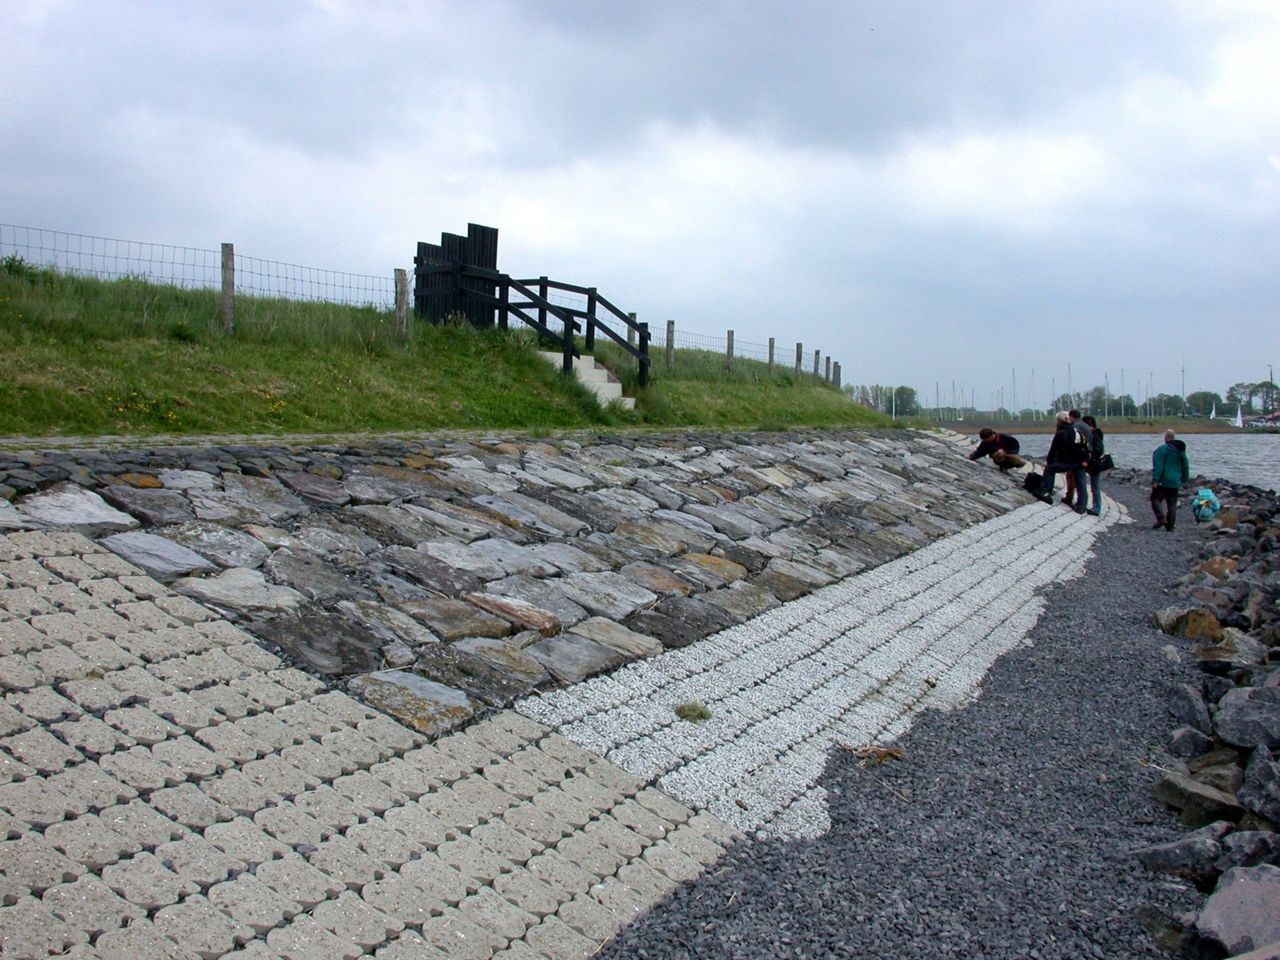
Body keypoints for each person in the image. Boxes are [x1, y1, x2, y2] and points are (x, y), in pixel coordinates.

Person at [1037, 411, 1088, 513]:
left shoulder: (1060, 433)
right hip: (1079, 462)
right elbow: (1082, 446)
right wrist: (1083, 459)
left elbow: (1053, 450)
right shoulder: (1076, 432)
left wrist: (1050, 461)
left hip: (1067, 461)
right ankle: (1082, 506)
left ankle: (1046, 492)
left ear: (1058, 421)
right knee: (1081, 483)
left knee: (1050, 469)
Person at [1151, 429, 1190, 530]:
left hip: (1163, 481)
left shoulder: (1162, 449)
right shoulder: (1180, 451)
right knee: (1172, 503)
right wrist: (1185, 479)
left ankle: (1161, 518)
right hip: (1175, 482)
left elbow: (1158, 466)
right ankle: (1170, 526)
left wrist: (1155, 480)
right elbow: (1185, 465)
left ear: (1166, 437)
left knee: (1155, 499)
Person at [1061, 410, 1093, 508]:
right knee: (1075, 478)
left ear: (1072, 416)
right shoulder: (1085, 426)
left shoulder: (1076, 427)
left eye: (1069, 417)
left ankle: (1080, 503)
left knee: (1078, 479)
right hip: (1086, 455)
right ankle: (1072, 498)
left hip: (1080, 457)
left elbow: (1075, 443)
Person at [1082, 415, 1105, 516]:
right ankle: (1095, 506)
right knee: (1094, 486)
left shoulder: (1094, 436)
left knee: (1095, 486)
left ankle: (1097, 507)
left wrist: (1089, 457)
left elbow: (1098, 450)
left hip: (1094, 464)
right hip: (1093, 463)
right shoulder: (1096, 434)